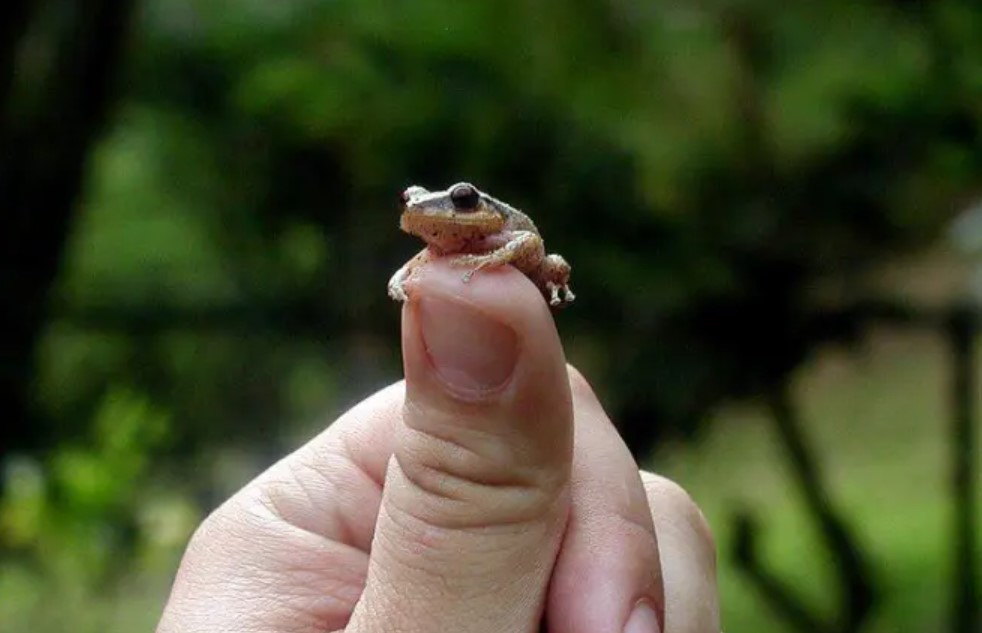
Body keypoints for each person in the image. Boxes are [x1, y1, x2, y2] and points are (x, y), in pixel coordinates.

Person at [155, 260, 720, 633]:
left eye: (457, 203)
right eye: (414, 204)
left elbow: (530, 245)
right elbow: (412, 272)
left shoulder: (494, 235)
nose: (430, 214)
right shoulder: (434, 254)